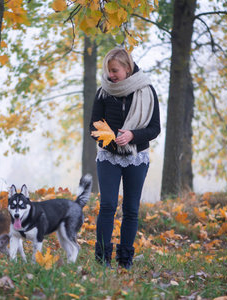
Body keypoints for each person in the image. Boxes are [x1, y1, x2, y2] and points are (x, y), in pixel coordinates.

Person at [89, 47, 161, 269]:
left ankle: (125, 260)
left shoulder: (146, 91)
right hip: (108, 157)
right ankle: (102, 260)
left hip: (136, 157)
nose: (110, 75)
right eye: (108, 71)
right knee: (108, 206)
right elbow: (93, 125)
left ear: (127, 69)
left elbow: (155, 128)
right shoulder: (103, 92)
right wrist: (111, 142)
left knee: (131, 209)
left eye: (115, 70)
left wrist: (132, 136)